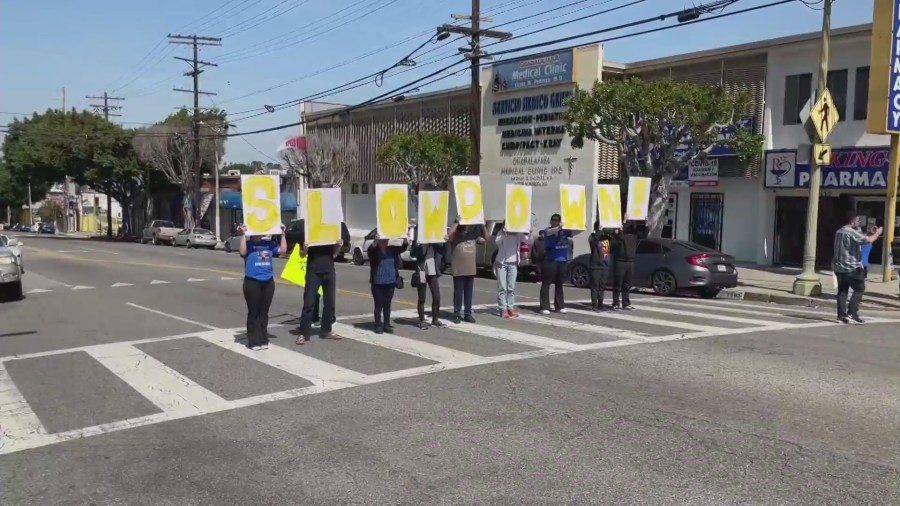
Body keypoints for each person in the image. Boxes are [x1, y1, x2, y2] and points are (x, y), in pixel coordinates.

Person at [296, 221, 349, 344]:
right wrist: (305, 249)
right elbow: (302, 254)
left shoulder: (329, 231)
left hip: (329, 270)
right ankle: (303, 333)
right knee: (309, 303)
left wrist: (339, 246)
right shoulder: (309, 230)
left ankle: (326, 330)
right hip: (313, 271)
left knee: (329, 302)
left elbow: (334, 255)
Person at [239, 224, 288, 351]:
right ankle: (253, 341)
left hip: (268, 281)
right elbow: (242, 252)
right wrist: (244, 235)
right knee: (253, 312)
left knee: (264, 312)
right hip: (252, 281)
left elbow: (283, 250)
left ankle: (263, 338)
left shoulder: (269, 244)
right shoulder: (248, 244)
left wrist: (283, 234)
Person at [833, 212, 882, 324]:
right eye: (857, 220)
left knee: (842, 291)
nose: (859, 222)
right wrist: (877, 233)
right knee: (859, 289)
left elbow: (860, 237)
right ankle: (852, 313)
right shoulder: (851, 232)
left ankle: (841, 316)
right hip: (851, 267)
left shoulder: (839, 231)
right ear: (852, 221)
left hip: (839, 268)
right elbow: (868, 240)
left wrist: (869, 233)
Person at [446, 219, 489, 324]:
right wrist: (456, 223)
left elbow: (486, 239)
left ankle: (467, 313)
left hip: (470, 269)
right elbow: (447, 236)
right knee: (458, 293)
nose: (466, 229)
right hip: (459, 269)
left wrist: (483, 226)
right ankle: (456, 313)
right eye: (465, 227)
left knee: (468, 293)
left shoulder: (473, 237)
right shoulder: (456, 237)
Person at [367, 235, 407, 334]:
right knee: (379, 305)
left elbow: (402, 248)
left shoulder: (392, 249)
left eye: (386, 240)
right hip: (378, 281)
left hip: (390, 281)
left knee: (387, 304)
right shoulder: (375, 251)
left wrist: (405, 239)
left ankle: (386, 324)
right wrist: (375, 241)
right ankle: (378, 325)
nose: (385, 241)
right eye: (383, 240)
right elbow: (370, 251)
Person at [539, 213, 574, 314]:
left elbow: (575, 232)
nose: (555, 221)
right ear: (550, 221)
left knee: (559, 284)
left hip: (562, 260)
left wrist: (581, 226)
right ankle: (544, 307)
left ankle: (559, 306)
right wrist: (559, 227)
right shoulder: (547, 230)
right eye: (553, 219)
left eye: (557, 220)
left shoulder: (565, 231)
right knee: (546, 283)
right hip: (550, 260)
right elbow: (552, 231)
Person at [410, 234, 446, 329]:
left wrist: (445, 242)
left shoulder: (435, 241)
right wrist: (417, 246)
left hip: (432, 271)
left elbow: (443, 251)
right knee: (422, 297)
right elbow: (412, 254)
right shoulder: (420, 238)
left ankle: (435, 319)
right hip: (422, 271)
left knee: (436, 296)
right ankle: (422, 320)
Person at [495, 225, 524, 318]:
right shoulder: (502, 232)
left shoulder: (518, 233)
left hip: (513, 263)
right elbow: (497, 242)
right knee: (502, 287)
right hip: (502, 262)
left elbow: (528, 240)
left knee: (511, 287)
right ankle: (503, 308)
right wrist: (503, 233)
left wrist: (529, 231)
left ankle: (510, 307)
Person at [610, 220, 638, 310]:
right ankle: (616, 303)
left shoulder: (633, 237)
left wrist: (646, 225)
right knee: (618, 284)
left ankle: (626, 303)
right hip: (620, 262)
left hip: (630, 262)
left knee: (627, 284)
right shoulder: (619, 237)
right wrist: (616, 232)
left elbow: (643, 234)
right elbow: (613, 244)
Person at [587, 220, 612, 312]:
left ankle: (600, 304)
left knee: (602, 287)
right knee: (595, 287)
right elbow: (594, 242)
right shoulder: (592, 238)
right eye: (601, 227)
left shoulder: (607, 238)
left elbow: (616, 238)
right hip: (595, 266)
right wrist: (599, 231)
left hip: (605, 266)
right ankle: (594, 305)